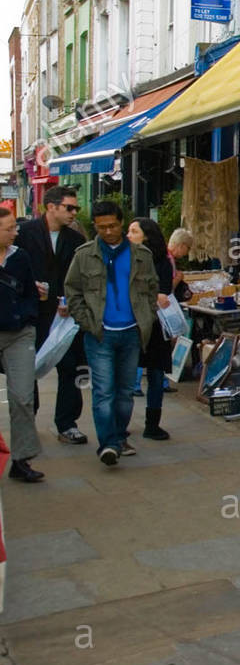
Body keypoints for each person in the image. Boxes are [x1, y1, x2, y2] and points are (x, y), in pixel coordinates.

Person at [64, 200, 159, 467]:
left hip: (132, 332)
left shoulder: (141, 255)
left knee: (126, 392)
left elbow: (152, 289)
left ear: (121, 223)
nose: (108, 231)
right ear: (95, 226)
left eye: (113, 226)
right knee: (104, 391)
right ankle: (109, 444)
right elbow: (73, 291)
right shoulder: (84, 255)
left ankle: (118, 436)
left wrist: (147, 318)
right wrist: (87, 322)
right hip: (100, 334)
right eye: (102, 227)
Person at [15, 184, 87, 446]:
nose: (74, 213)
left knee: (71, 368)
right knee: (27, 369)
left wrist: (70, 300)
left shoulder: (76, 240)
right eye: (69, 207)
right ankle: (28, 420)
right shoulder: (24, 233)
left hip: (64, 315)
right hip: (32, 314)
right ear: (51, 207)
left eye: (76, 208)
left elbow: (79, 277)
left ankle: (67, 423)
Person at [0, 208, 44, 482]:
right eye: (9, 228)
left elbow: (31, 292)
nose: (15, 232)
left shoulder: (20, 257)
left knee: (23, 397)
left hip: (19, 334)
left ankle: (21, 459)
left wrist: (28, 315)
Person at [127, 218, 174, 440]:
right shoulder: (124, 258)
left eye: (133, 231)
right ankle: (121, 422)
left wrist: (159, 296)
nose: (128, 235)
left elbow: (165, 292)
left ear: (146, 235)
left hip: (155, 326)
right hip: (130, 324)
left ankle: (152, 424)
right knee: (125, 375)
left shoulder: (162, 261)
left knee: (156, 375)